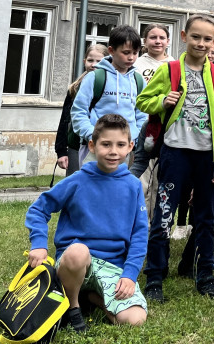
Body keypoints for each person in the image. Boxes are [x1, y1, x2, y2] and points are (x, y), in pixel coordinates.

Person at [137, 14, 214, 303]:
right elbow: (143, 100)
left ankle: (205, 274)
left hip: (207, 157)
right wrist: (161, 101)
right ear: (184, 37)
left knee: (205, 217)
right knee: (164, 215)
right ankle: (155, 275)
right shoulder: (170, 70)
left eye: (207, 39)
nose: (201, 43)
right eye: (196, 37)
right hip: (175, 153)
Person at [25, 113, 148, 331]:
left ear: (130, 147)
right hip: (77, 261)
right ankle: (73, 307)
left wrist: (129, 275)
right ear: (92, 145)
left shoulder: (133, 185)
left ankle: (91, 297)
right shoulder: (76, 181)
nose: (113, 151)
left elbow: (139, 234)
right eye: (106, 144)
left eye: (120, 145)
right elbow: (38, 209)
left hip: (112, 265)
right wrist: (38, 244)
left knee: (135, 319)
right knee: (78, 251)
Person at [72, 26, 146, 163]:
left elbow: (142, 114)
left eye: (135, 53)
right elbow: (78, 111)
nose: (131, 57)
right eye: (126, 52)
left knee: (119, 184)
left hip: (126, 149)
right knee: (92, 184)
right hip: (95, 148)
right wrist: (92, 135)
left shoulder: (138, 80)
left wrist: (135, 138)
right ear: (111, 50)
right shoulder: (95, 77)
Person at [55, 44, 106, 177]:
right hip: (76, 146)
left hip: (102, 143)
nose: (94, 64)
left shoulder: (109, 85)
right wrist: (61, 151)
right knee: (76, 184)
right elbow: (65, 120)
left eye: (99, 61)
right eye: (90, 60)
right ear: (84, 61)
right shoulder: (75, 88)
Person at [129, 25, 170, 180]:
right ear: (145, 41)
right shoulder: (136, 64)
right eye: (153, 38)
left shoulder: (174, 65)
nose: (157, 41)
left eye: (162, 38)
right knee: (141, 174)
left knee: (161, 178)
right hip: (140, 125)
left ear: (168, 41)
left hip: (164, 125)